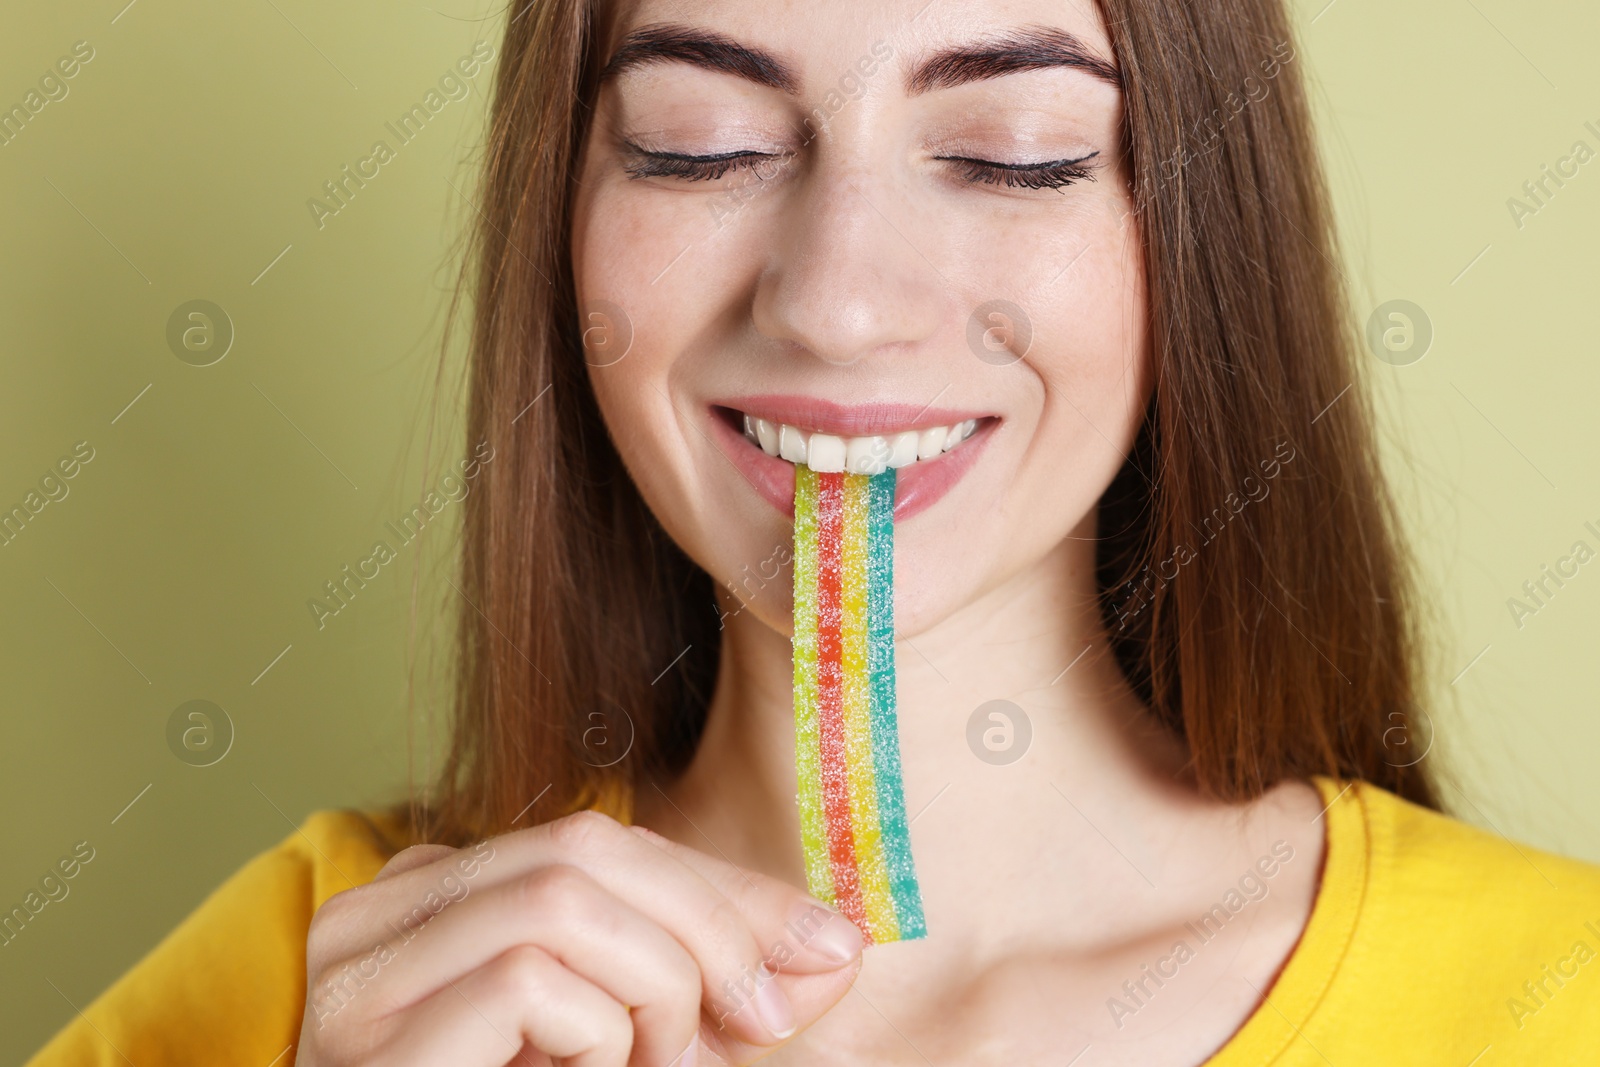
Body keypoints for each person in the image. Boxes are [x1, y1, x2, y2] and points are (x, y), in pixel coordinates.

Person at [28, 0, 1600, 1063]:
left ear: (1193, 225)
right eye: (699, 141)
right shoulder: (319, 972)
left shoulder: (1558, 996)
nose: (839, 303)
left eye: (1013, 154)